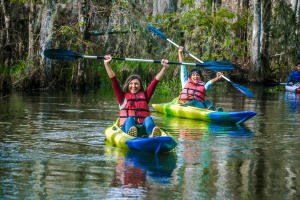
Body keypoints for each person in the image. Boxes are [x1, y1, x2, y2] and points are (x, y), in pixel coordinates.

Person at [103, 55, 169, 137]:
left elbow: (155, 82)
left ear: (140, 86)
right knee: (130, 118)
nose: (133, 86)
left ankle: (152, 135)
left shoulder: (145, 96)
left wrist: (164, 68)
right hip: (126, 129)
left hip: (141, 129)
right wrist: (107, 64)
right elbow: (114, 80)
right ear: (128, 85)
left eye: (136, 84)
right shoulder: (122, 97)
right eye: (131, 83)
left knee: (148, 119)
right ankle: (131, 133)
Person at [177, 46, 223, 111]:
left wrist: (217, 78)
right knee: (197, 102)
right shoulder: (185, 82)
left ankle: (215, 111)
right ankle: (208, 110)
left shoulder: (203, 85)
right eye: (193, 75)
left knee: (207, 102)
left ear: (200, 77)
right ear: (190, 77)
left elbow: (209, 83)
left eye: (197, 75)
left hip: (198, 106)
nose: (195, 76)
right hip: (186, 104)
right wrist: (180, 53)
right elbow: (182, 66)